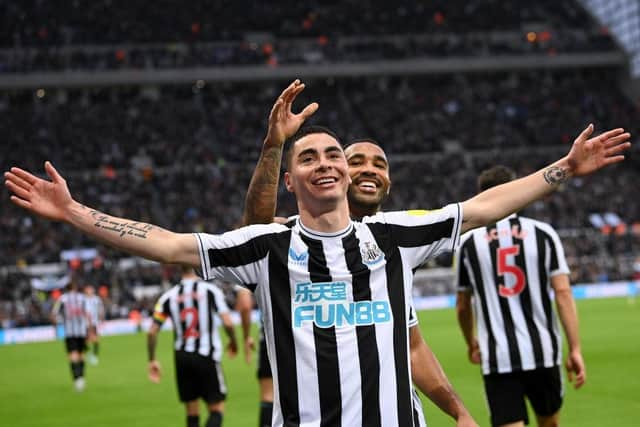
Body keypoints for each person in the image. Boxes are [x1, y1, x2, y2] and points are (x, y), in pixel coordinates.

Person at [5, 80, 630, 426]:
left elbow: (486, 206)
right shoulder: (266, 247)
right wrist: (75, 212)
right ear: (292, 178)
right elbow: (165, 243)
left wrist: (566, 168)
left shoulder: (396, 238)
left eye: (335, 154)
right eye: (312, 156)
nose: (329, 162)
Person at [242, 80, 476, 426]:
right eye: (356, 161)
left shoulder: (395, 247)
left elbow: (412, 348)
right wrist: (274, 146)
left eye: (380, 165)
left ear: (389, 182)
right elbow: (255, 229)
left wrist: (458, 411)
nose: (369, 170)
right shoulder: (290, 237)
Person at [455, 165, 587, 427]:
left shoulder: (469, 243)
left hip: (498, 357)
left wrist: (472, 342)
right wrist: (575, 349)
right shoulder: (543, 234)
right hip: (543, 351)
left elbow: (462, 306)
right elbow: (562, 292)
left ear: (481, 195)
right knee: (549, 422)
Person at [147, 266, 238, 427]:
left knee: (192, 412)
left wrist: (152, 360)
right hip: (206, 354)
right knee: (216, 408)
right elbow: (228, 323)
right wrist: (233, 341)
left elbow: (152, 331)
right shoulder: (210, 290)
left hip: (182, 357)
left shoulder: (169, 296)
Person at [50, 279, 90, 392]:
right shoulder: (82, 298)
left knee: (72, 355)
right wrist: (90, 330)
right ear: (75, 287)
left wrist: (56, 329)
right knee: (81, 354)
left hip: (69, 332)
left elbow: (53, 315)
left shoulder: (63, 298)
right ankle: (81, 378)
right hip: (82, 331)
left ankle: (76, 379)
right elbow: (88, 314)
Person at [84, 284, 104, 365]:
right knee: (87, 340)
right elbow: (86, 312)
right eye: (89, 289)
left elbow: (100, 309)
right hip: (85, 323)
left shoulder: (96, 299)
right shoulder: (84, 299)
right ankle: (90, 354)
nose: (90, 291)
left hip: (94, 322)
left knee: (95, 339)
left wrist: (101, 318)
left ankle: (94, 355)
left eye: (91, 289)